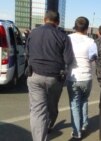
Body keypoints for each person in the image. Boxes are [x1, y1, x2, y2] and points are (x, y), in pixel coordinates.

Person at [25, 10, 75, 141]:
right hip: (55, 78)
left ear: (44, 19)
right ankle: (49, 124)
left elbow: (27, 53)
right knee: (52, 106)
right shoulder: (63, 36)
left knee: (37, 111)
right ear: (57, 22)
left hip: (34, 75)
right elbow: (69, 60)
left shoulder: (33, 33)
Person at [66, 16, 97, 139]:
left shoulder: (68, 39)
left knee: (74, 104)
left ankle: (76, 132)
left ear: (75, 26)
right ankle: (84, 124)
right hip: (87, 77)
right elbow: (93, 58)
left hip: (73, 77)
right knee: (84, 100)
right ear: (87, 28)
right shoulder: (91, 42)